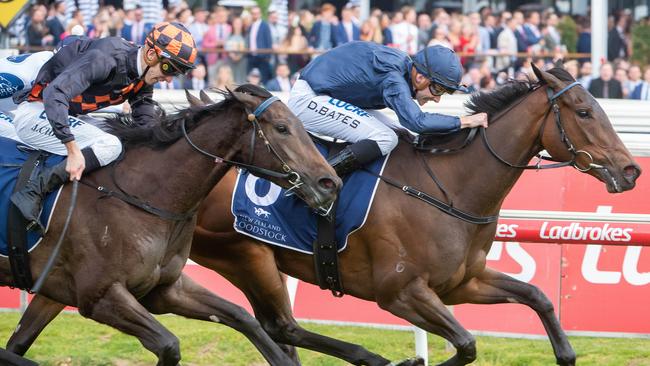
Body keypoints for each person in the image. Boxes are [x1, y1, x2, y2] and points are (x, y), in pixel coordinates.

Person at [9, 21, 198, 232]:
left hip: (66, 114)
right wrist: (71, 148)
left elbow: (146, 125)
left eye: (177, 73)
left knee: (120, 135)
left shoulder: (143, 77)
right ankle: (34, 191)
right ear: (151, 54)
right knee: (110, 145)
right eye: (169, 68)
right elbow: (56, 93)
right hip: (36, 112)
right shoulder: (106, 58)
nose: (169, 79)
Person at [288, 42, 488, 176]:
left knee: (400, 134)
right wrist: (465, 120)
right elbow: (417, 122)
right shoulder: (394, 78)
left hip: (324, 94)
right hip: (309, 99)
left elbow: (409, 126)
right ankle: (319, 179)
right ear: (419, 77)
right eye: (438, 89)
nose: (436, 99)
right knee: (386, 138)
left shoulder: (402, 68)